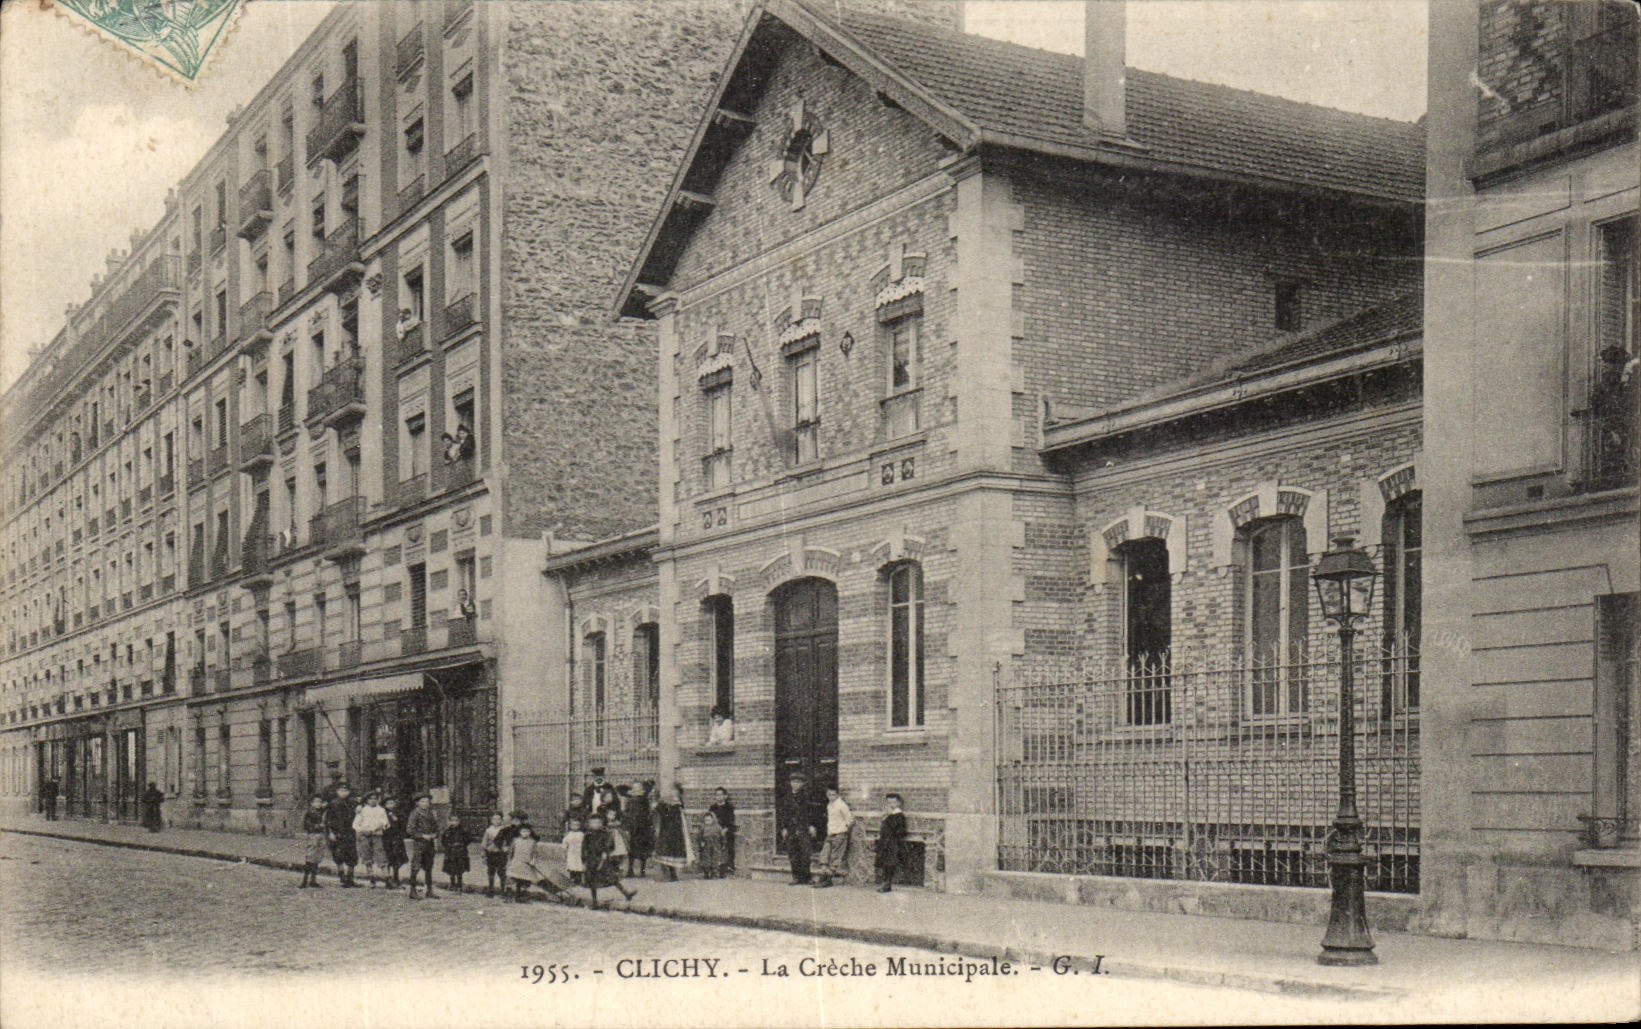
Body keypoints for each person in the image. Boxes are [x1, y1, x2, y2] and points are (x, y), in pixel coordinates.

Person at [582, 811, 637, 908]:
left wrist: (605, 852)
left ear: (602, 823)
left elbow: (610, 846)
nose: (596, 825)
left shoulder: (605, 834)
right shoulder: (587, 835)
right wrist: (583, 861)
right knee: (592, 882)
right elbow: (583, 848)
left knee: (612, 878)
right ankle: (594, 901)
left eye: (598, 823)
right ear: (589, 824)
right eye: (593, 823)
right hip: (591, 860)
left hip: (602, 859)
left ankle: (626, 893)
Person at [505, 824, 569, 903]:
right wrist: (509, 862)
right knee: (515, 879)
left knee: (525, 880)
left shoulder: (532, 842)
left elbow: (535, 853)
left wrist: (533, 860)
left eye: (527, 831)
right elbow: (511, 852)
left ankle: (521, 896)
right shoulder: (515, 841)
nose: (525, 833)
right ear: (519, 832)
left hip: (527, 864)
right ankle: (511, 896)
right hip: (516, 863)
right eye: (523, 831)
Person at [779, 773, 817, 886]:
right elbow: (784, 814)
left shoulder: (807, 796)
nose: (795, 784)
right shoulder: (787, 798)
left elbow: (811, 812)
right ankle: (796, 877)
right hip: (791, 828)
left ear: (802, 783)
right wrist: (784, 827)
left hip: (803, 827)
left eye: (798, 782)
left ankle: (807, 877)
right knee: (793, 853)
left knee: (805, 853)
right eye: (793, 782)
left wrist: (812, 825)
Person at [404, 793, 441, 899]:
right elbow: (409, 830)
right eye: (422, 801)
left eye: (427, 801)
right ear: (417, 803)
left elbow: (436, 827)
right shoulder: (414, 814)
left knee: (429, 866)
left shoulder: (431, 814)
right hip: (419, 844)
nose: (425, 804)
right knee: (416, 866)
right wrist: (422, 836)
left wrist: (434, 834)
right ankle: (412, 890)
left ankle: (429, 890)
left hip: (429, 844)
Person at [815, 786, 853, 888]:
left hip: (839, 834)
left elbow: (849, 819)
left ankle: (828, 878)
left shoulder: (841, 805)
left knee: (835, 856)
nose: (831, 797)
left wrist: (843, 828)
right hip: (830, 834)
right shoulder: (829, 805)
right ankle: (823, 874)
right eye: (829, 795)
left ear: (838, 795)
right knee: (825, 853)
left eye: (834, 795)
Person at [652, 784, 692, 881]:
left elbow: (679, 817)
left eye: (675, 791)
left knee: (673, 852)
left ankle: (673, 873)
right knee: (665, 852)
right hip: (666, 830)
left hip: (676, 830)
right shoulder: (664, 803)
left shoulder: (677, 803)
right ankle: (667, 873)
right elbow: (659, 813)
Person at [325, 783, 361, 887]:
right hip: (338, 832)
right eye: (341, 791)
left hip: (350, 832)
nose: (343, 793)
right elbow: (328, 819)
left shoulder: (353, 803)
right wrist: (330, 832)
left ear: (349, 792)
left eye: (345, 791)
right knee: (338, 855)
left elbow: (360, 812)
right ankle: (342, 876)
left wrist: (359, 807)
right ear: (337, 792)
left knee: (352, 855)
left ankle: (350, 878)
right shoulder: (333, 804)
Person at [353, 790, 390, 888]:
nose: (373, 801)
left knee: (381, 855)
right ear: (367, 800)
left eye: (375, 799)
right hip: (365, 835)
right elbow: (355, 824)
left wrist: (379, 827)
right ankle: (371, 878)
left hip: (377, 835)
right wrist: (362, 831)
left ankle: (387, 878)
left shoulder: (381, 810)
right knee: (367, 856)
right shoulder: (362, 810)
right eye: (371, 799)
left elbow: (386, 823)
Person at [875, 793, 908, 893]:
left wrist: (889, 817)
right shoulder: (887, 815)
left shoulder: (899, 815)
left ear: (898, 803)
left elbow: (900, 831)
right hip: (885, 842)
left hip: (893, 843)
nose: (891, 804)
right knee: (884, 862)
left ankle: (887, 883)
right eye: (889, 802)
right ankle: (884, 882)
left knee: (890, 863)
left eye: (893, 802)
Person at [299, 794, 329, 889]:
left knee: (317, 858)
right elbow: (307, 826)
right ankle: (304, 880)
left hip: (321, 836)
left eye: (320, 802)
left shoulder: (322, 812)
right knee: (310, 858)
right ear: (311, 803)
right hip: (313, 836)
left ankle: (313, 880)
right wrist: (318, 826)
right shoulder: (309, 813)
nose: (318, 804)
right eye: (316, 802)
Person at [624, 781, 653, 878]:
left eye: (638, 787)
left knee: (643, 850)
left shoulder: (644, 799)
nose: (636, 789)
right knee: (631, 849)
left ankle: (643, 870)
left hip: (642, 827)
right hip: (632, 827)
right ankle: (630, 870)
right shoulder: (629, 800)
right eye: (634, 787)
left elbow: (648, 813)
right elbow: (626, 812)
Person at [707, 787, 737, 874]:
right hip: (715, 830)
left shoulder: (729, 807)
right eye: (716, 795)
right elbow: (710, 820)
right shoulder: (713, 808)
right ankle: (713, 866)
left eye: (720, 795)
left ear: (725, 796)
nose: (718, 797)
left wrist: (724, 830)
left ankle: (729, 866)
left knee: (729, 843)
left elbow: (730, 820)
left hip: (726, 830)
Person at [440, 811, 472, 892]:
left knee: (460, 868)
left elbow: (468, 839)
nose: (454, 822)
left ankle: (459, 883)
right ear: (449, 821)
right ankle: (452, 882)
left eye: (456, 821)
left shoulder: (463, 830)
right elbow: (443, 840)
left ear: (459, 821)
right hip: (450, 852)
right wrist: (448, 846)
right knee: (451, 868)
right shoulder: (447, 831)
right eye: (452, 820)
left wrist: (462, 845)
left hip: (460, 852)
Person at [382, 796, 409, 888]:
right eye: (388, 803)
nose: (390, 805)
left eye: (392, 803)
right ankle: (388, 878)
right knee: (387, 857)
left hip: (396, 838)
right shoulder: (382, 813)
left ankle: (396, 876)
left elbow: (403, 825)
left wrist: (397, 819)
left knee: (397, 856)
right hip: (386, 838)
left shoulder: (398, 813)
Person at [480, 812, 509, 897]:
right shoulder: (488, 830)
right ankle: (491, 890)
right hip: (491, 854)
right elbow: (484, 843)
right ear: (491, 820)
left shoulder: (504, 830)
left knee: (502, 872)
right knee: (491, 872)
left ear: (502, 820)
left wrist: (506, 848)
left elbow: (507, 842)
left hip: (500, 854)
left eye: (499, 819)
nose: (496, 821)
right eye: (494, 819)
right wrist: (484, 855)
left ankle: (503, 890)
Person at [697, 811, 726, 879]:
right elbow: (699, 836)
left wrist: (723, 844)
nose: (707, 822)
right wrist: (701, 842)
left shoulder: (717, 827)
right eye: (706, 820)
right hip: (706, 845)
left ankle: (714, 873)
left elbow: (722, 836)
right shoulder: (702, 827)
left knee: (715, 858)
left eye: (709, 820)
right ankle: (706, 873)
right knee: (706, 859)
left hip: (715, 844)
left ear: (713, 820)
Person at [561, 814, 586, 886]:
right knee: (572, 866)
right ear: (570, 826)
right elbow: (565, 843)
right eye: (574, 825)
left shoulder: (582, 834)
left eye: (577, 825)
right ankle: (572, 880)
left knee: (579, 866)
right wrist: (564, 852)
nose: (575, 827)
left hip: (579, 853)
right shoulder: (568, 834)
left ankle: (580, 881)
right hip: (571, 853)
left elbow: (585, 843)